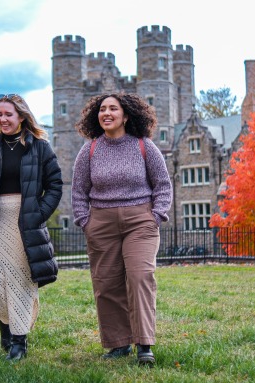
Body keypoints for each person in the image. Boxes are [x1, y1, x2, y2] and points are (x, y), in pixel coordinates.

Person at [71, 93, 172, 367]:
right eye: (102, 109)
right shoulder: (89, 150)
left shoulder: (144, 146)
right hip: (101, 222)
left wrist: (156, 215)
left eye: (113, 109)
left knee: (140, 277)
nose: (107, 113)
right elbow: (79, 190)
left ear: (125, 115)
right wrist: (85, 221)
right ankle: (117, 344)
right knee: (106, 283)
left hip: (140, 220)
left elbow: (163, 184)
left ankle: (144, 344)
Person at [0, 93, 63, 361]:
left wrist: (38, 213)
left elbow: (55, 185)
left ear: (21, 116)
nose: (2, 119)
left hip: (26, 224)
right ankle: (6, 329)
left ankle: (19, 342)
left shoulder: (39, 147)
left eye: (7, 114)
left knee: (21, 279)